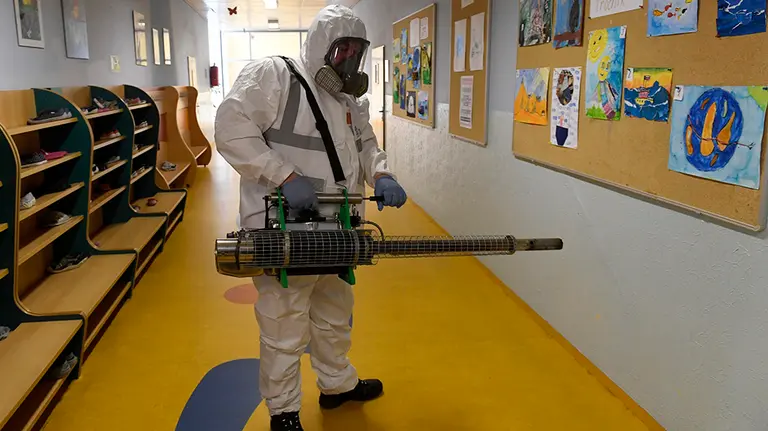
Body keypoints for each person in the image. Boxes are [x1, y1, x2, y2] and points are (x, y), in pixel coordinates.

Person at [215, 5, 407, 431]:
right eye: (342, 50)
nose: (348, 62)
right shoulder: (275, 77)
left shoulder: (349, 100)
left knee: (335, 312)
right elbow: (231, 127)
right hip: (284, 230)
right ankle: (283, 411)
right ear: (323, 46)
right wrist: (281, 175)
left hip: (337, 230)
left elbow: (366, 144)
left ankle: (337, 384)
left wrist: (382, 172)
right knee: (284, 323)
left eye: (357, 53)